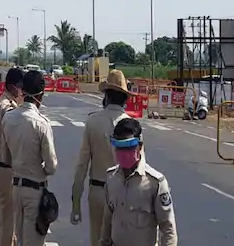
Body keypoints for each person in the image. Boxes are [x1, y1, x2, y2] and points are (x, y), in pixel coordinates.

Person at [70, 69, 133, 246]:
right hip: (123, 193)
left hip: (98, 191)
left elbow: (81, 167)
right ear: (125, 98)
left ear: (106, 96)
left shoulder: (93, 122)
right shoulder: (132, 126)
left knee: (97, 240)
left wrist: (75, 203)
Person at [100, 118, 178, 246]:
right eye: (119, 147)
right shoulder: (111, 178)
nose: (123, 152)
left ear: (139, 146)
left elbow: (168, 227)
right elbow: (107, 219)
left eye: (129, 147)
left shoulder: (155, 183)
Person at [2, 70, 58, 246]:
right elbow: (51, 166)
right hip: (35, 189)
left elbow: (5, 157)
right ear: (40, 95)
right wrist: (38, 169)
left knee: (19, 239)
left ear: (23, 91)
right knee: (34, 241)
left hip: (16, 187)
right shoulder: (41, 123)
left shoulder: (8, 118)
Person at [0, 67, 25, 246]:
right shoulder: (8, 108)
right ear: (13, 86)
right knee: (8, 224)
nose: (22, 91)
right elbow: (10, 141)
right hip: (5, 168)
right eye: (21, 87)